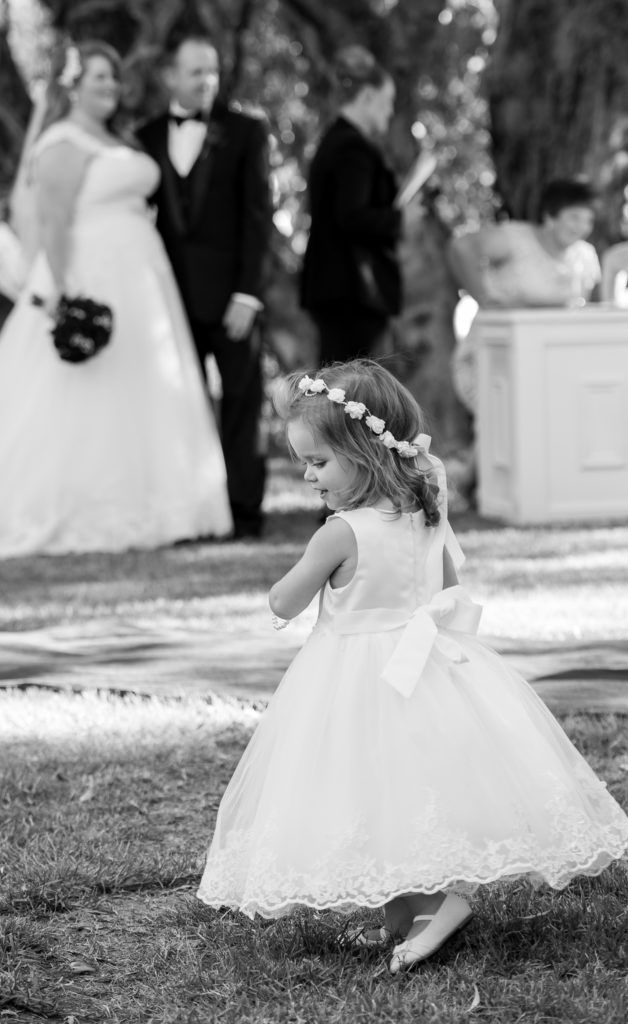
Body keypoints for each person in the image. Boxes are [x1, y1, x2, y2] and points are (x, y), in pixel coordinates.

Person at [197, 359, 628, 972]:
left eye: (317, 462)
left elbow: (283, 601)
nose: (307, 476)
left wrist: (294, 581)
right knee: (405, 783)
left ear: (365, 453)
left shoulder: (338, 533)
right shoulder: (425, 510)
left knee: (369, 781)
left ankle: (440, 903)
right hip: (424, 662)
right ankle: (403, 916)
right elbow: (447, 585)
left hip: (358, 671)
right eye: (303, 463)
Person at [0, 41, 232, 560]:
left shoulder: (115, 137)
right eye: (98, 77)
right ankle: (80, 505)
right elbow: (52, 222)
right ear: (72, 84)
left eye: (114, 78)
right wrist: (65, 295)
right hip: (90, 274)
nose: (109, 87)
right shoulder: (60, 142)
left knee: (140, 386)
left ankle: (162, 504)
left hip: (143, 278)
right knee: (83, 394)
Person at [137, 26, 272, 540]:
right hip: (170, 303)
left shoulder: (247, 132)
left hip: (232, 297)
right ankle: (189, 511)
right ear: (170, 76)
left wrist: (247, 294)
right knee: (179, 408)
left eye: (212, 70)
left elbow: (259, 218)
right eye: (195, 71)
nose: (206, 81)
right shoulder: (146, 137)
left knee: (241, 403)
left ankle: (244, 514)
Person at [448, 179, 601, 411]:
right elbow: (462, 248)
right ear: (551, 216)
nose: (582, 227)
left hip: (551, 363)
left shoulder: (586, 255)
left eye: (588, 220)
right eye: (574, 217)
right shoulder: (515, 238)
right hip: (497, 356)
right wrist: (486, 300)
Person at [300, 46, 402, 365]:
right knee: (350, 390)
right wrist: (399, 219)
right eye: (387, 104)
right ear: (368, 97)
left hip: (337, 289)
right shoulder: (352, 147)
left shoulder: (335, 140)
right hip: (351, 292)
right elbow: (351, 217)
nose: (389, 113)